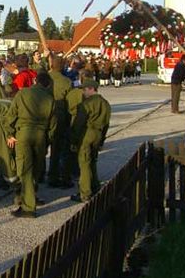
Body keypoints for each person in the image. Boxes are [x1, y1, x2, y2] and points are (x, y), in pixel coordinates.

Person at [7, 72, 57, 218]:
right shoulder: (50, 99)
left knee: (25, 170)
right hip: (40, 135)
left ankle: (28, 207)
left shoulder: (23, 94)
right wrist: (48, 140)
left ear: (35, 81)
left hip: (24, 133)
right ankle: (31, 196)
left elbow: (12, 114)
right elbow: (53, 125)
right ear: (47, 84)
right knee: (36, 168)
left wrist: (10, 133)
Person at [70, 79, 111, 202]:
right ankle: (95, 185)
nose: (83, 92)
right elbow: (106, 124)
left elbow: (78, 123)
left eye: (85, 89)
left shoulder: (86, 104)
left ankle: (85, 192)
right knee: (93, 160)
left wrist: (73, 140)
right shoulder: (105, 103)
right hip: (98, 133)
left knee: (84, 163)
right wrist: (102, 139)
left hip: (87, 133)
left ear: (91, 89)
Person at [47, 57, 73, 188]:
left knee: (41, 148)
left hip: (44, 115)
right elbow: (70, 102)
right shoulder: (67, 82)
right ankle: (55, 175)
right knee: (58, 148)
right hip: (60, 116)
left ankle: (39, 175)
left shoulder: (44, 77)